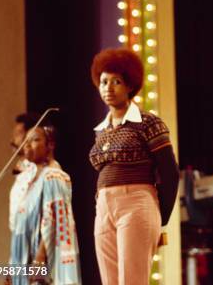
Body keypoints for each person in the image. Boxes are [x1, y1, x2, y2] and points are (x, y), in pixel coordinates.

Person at [89, 48, 179, 285]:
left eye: (116, 81)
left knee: (132, 281)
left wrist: (162, 218)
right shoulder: (102, 130)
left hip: (136, 204)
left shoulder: (148, 123)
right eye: (103, 81)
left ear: (130, 85)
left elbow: (170, 173)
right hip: (104, 208)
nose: (108, 88)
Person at [9, 122, 82, 284]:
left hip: (39, 253)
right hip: (21, 254)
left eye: (35, 140)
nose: (27, 144)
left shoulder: (53, 176)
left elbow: (55, 220)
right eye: (26, 140)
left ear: (50, 145)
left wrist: (40, 258)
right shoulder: (26, 181)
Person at [9, 113, 40, 235]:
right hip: (19, 236)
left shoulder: (38, 169)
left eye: (18, 134)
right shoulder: (23, 168)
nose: (12, 140)